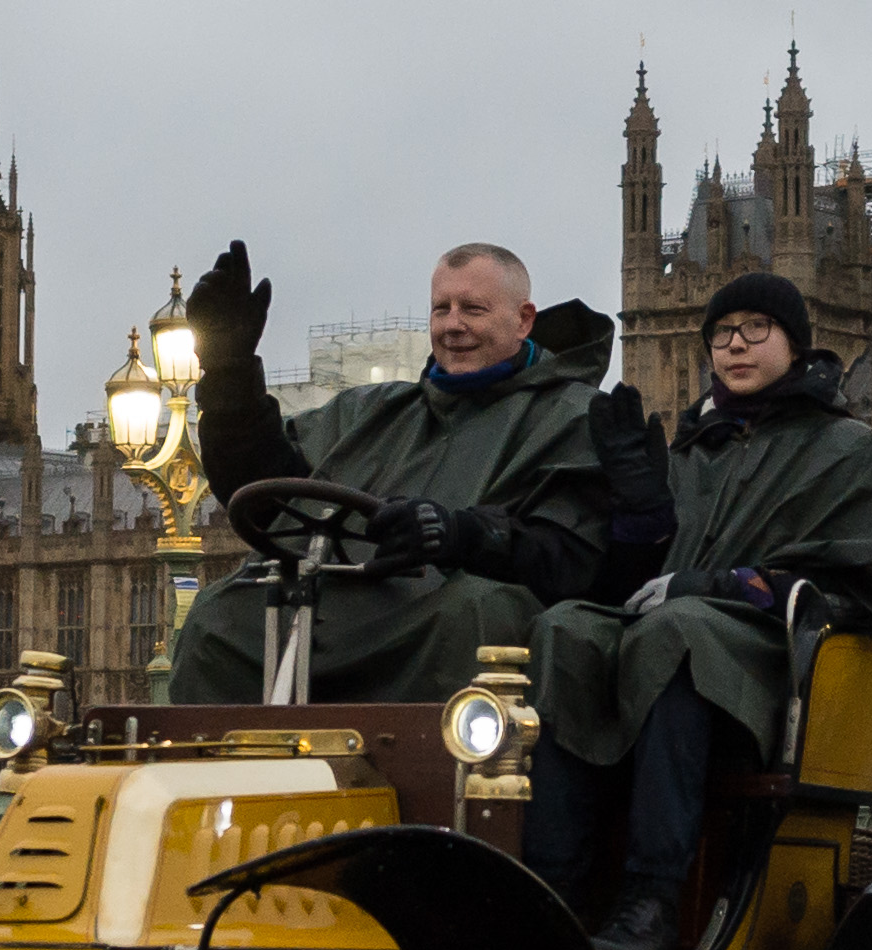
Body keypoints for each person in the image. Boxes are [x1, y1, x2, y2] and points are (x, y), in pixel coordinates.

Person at [526, 273, 872, 950]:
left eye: (755, 328)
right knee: (565, 628)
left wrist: (729, 586)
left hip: (775, 665)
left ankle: (652, 901)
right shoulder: (692, 450)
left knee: (680, 627)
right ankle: (550, 889)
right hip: (668, 646)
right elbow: (631, 586)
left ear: (795, 342)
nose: (735, 345)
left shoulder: (846, 449)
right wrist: (636, 512)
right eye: (721, 333)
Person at [165, 238, 652, 705]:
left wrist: (460, 535)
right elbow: (263, 495)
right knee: (215, 617)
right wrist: (229, 371)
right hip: (334, 604)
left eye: (473, 309)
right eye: (441, 309)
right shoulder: (369, 410)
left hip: (440, 616)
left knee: (473, 609)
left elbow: (575, 554)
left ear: (524, 320)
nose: (453, 325)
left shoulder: (574, 417)